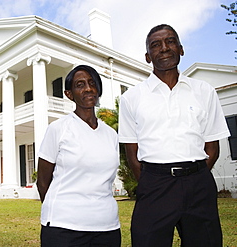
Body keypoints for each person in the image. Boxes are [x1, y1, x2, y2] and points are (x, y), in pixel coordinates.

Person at [119, 24, 231, 247]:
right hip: (155, 186)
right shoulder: (132, 98)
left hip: (198, 183)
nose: (164, 48)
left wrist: (192, 176)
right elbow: (132, 153)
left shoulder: (204, 91)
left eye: (170, 42)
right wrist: (153, 181)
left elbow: (213, 148)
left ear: (181, 49)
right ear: (147, 56)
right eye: (155, 45)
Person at [36, 65, 121, 247]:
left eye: (92, 83)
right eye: (80, 85)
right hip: (63, 228)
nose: (88, 88)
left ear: (98, 89)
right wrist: (64, 210)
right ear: (69, 94)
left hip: (107, 228)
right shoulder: (57, 129)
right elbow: (43, 182)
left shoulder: (111, 134)